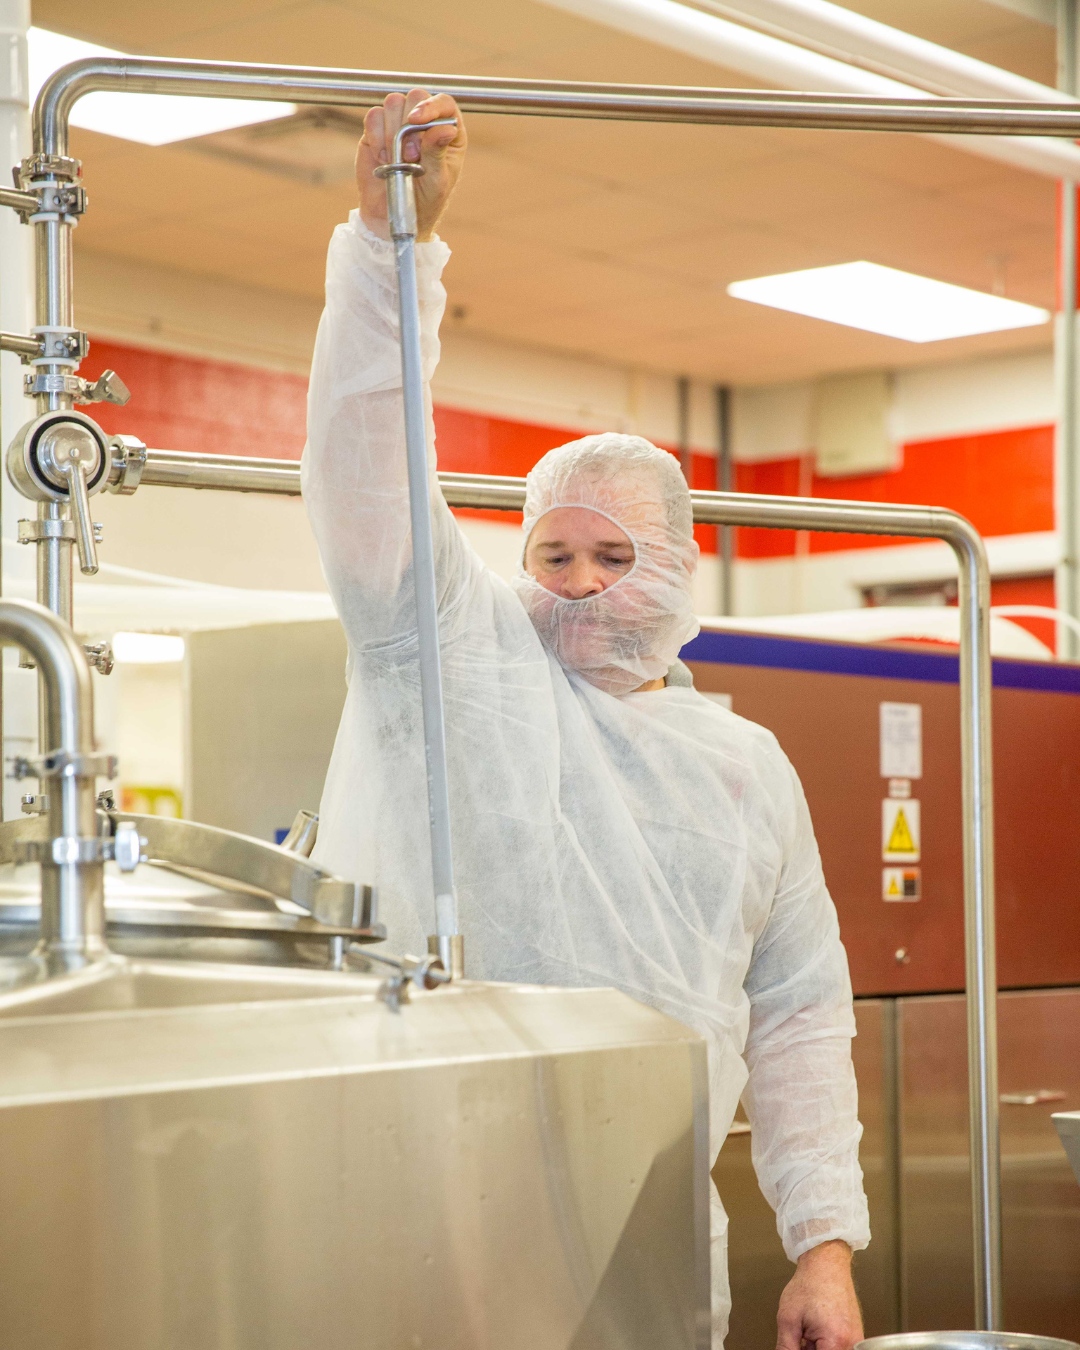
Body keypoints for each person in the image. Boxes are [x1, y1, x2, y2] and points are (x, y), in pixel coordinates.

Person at [302, 87, 870, 1350]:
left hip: (653, 1257)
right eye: (550, 555)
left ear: (679, 565)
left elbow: (798, 1018)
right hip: (422, 1242)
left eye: (611, 556)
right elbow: (367, 479)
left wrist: (822, 1247)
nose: (576, 587)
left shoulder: (745, 772)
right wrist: (396, 247)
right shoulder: (459, 672)